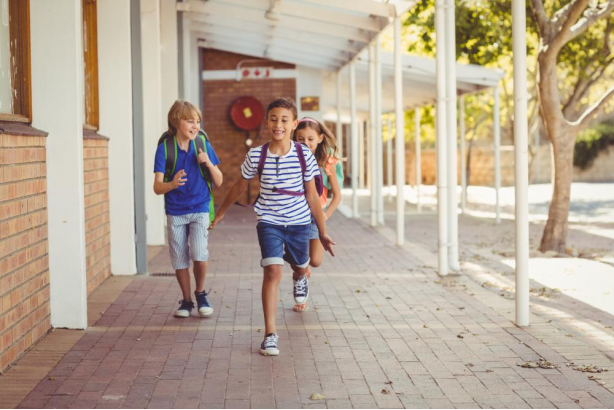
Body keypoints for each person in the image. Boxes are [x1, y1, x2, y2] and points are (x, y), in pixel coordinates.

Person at [209, 97, 335, 356]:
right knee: (272, 272)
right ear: (267, 122)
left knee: (301, 264)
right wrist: (221, 212)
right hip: (269, 221)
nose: (278, 124)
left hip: (300, 222)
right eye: (274, 119)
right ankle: (270, 334)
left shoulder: (304, 155)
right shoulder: (257, 154)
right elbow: (239, 185)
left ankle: (300, 277)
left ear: (294, 124)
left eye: (284, 120)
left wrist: (322, 231)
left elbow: (312, 195)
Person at [153, 100, 223, 318]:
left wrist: (208, 164)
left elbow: (219, 181)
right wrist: (171, 184)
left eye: (198, 121)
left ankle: (201, 292)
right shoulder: (165, 149)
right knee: (180, 257)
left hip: (200, 206)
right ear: (176, 122)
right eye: (190, 121)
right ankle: (187, 301)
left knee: (199, 252)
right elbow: (157, 187)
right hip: (176, 210)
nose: (195, 126)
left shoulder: (202, 144)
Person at [292, 117, 343, 311]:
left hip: (316, 215)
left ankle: (301, 270)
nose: (305, 143)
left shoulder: (327, 160)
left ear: (320, 138)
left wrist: (325, 215)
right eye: (300, 139)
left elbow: (337, 196)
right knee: (300, 262)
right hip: (294, 213)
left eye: (310, 139)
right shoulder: (291, 156)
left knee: (315, 261)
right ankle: (300, 282)